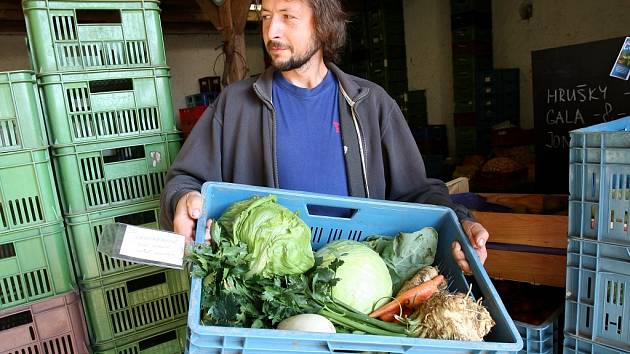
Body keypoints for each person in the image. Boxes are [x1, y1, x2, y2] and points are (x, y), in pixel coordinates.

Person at [160, 0, 488, 273]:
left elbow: (416, 192)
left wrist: (459, 223)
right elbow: (185, 179)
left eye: (288, 17)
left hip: (358, 284)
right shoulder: (235, 105)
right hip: (264, 288)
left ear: (324, 24)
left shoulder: (371, 105)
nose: (271, 31)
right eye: (266, 18)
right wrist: (183, 200)